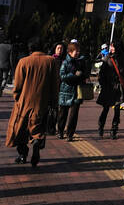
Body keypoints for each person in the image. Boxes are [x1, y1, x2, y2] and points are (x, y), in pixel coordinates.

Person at [4, 37, 59, 167]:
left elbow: (17, 84)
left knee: (21, 128)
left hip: (24, 101)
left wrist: (17, 97)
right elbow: (55, 83)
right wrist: (53, 101)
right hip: (43, 102)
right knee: (38, 127)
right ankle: (36, 142)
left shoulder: (23, 62)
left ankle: (23, 154)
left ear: (30, 48)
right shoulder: (51, 61)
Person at [57, 39, 89, 141]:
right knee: (63, 113)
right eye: (76, 50)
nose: (78, 52)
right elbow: (62, 76)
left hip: (77, 91)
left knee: (74, 115)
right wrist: (73, 75)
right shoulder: (65, 63)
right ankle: (60, 131)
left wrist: (83, 75)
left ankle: (70, 134)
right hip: (65, 91)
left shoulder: (81, 62)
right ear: (70, 52)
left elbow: (85, 74)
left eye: (78, 50)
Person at [96, 43, 124, 139]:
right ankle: (101, 126)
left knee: (117, 109)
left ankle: (114, 130)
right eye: (111, 46)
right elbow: (101, 74)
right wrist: (103, 84)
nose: (111, 48)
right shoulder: (107, 59)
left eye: (113, 46)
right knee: (105, 108)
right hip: (108, 87)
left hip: (118, 87)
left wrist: (123, 78)